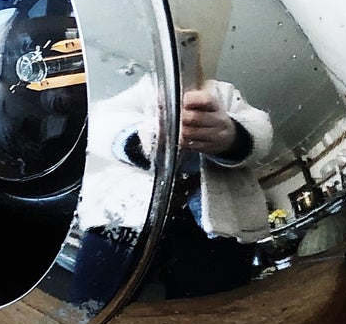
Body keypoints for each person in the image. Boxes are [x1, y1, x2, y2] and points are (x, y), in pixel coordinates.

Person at [68, 77, 273, 305]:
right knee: (93, 300)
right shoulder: (142, 88)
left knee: (215, 306)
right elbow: (102, 125)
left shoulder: (223, 92)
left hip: (219, 226)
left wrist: (232, 136)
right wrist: (137, 141)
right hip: (123, 218)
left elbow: (260, 129)